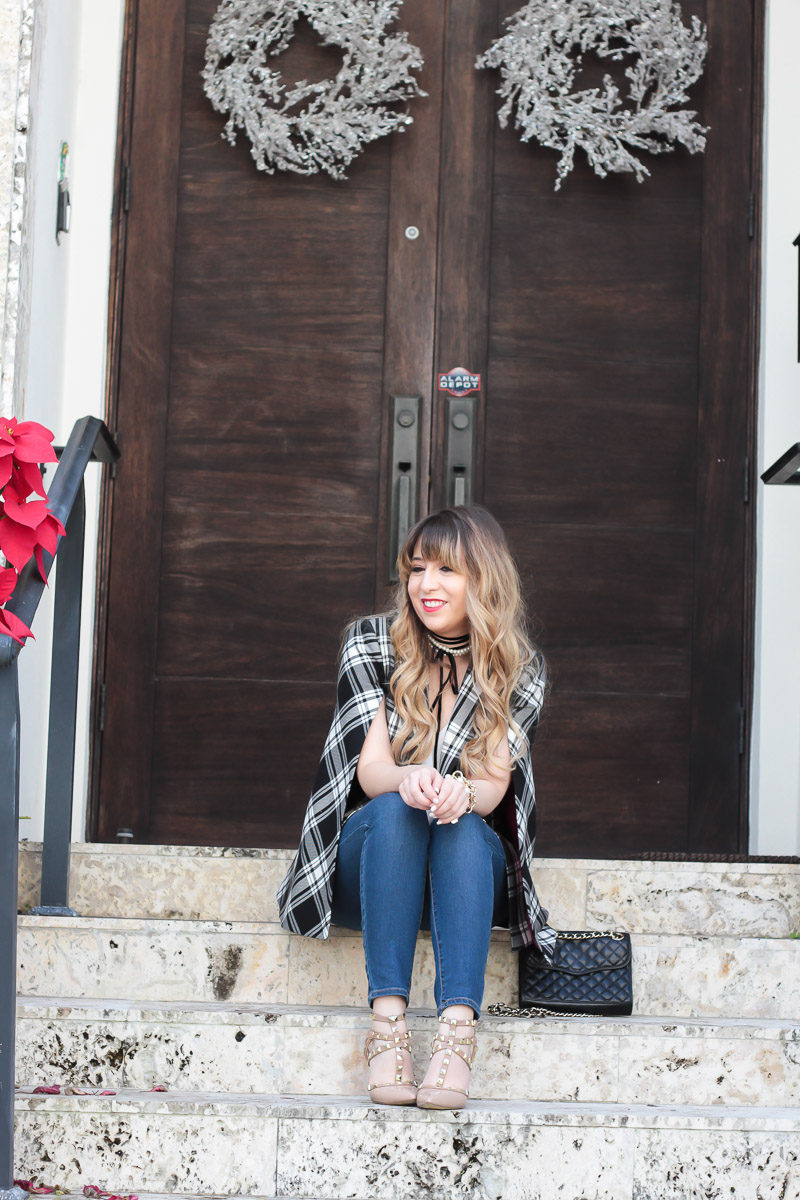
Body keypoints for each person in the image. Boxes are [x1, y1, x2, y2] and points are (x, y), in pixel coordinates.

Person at [277, 505, 556, 1110]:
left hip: (461, 878)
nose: (426, 586)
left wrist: (461, 793)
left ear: (483, 579)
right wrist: (413, 780)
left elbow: (493, 785)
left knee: (459, 821)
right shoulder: (371, 642)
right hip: (373, 869)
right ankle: (389, 1030)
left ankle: (457, 1035)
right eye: (417, 568)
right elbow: (371, 770)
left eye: (447, 570)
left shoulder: (517, 669)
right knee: (401, 808)